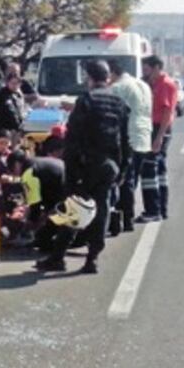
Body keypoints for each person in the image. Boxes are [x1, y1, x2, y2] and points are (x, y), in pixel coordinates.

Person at [35, 60, 130, 274]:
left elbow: (73, 139)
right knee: (101, 211)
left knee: (74, 208)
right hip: (109, 166)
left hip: (85, 166)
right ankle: (92, 258)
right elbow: (125, 139)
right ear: (107, 77)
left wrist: (71, 173)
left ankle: (58, 257)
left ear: (90, 78)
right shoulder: (119, 102)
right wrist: (123, 168)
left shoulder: (86, 101)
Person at [107, 59, 153, 231]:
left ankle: (126, 218)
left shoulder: (118, 88)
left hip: (128, 137)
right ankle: (127, 218)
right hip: (143, 137)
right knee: (133, 180)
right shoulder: (143, 85)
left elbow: (112, 113)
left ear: (112, 73)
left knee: (125, 180)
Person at [137, 55, 178, 222]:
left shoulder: (165, 84)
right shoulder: (151, 84)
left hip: (159, 128)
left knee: (149, 169)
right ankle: (161, 209)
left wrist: (159, 137)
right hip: (152, 128)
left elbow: (167, 113)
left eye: (147, 69)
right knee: (159, 170)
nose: (144, 73)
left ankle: (153, 210)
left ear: (156, 68)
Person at [0, 73, 25, 142]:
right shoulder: (4, 94)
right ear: (7, 83)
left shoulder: (18, 95)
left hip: (12, 129)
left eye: (17, 83)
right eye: (13, 83)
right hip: (0, 130)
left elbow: (20, 111)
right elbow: (11, 112)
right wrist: (18, 126)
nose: (15, 85)